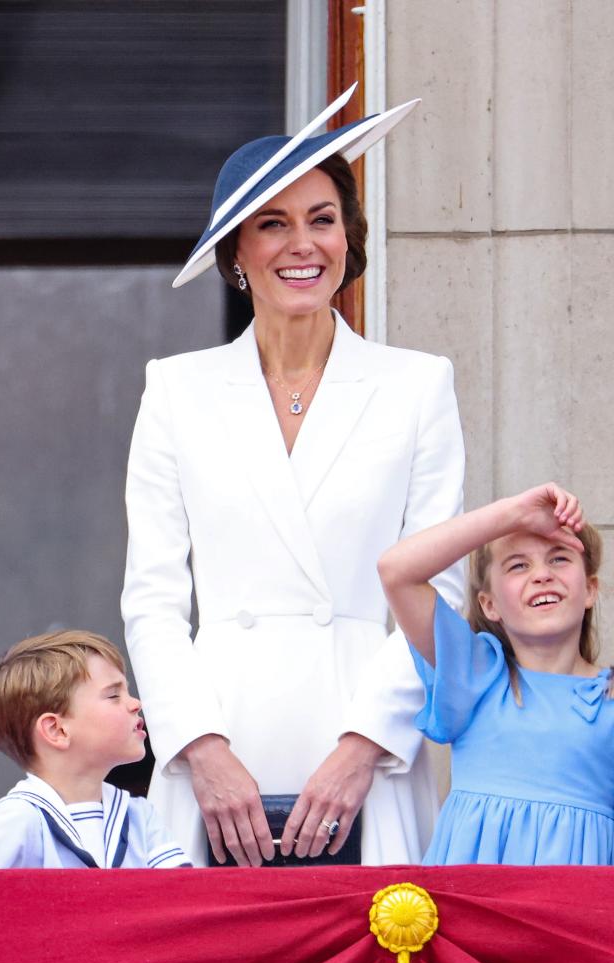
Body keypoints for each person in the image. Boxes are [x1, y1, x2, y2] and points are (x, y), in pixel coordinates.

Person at [121, 85, 466, 867]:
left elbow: (437, 593)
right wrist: (201, 748)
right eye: (272, 223)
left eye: (322, 218)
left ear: (350, 237)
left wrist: (363, 747)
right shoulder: (175, 389)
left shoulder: (418, 385)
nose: (301, 244)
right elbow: (152, 597)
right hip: (216, 752)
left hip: (362, 752)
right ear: (236, 250)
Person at [378, 482, 614, 865]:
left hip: (572, 914)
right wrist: (512, 513)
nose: (542, 575)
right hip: (471, 912)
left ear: (589, 590)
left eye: (559, 558)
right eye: (518, 564)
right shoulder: (473, 675)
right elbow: (395, 570)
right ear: (489, 604)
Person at [0, 629, 191, 869]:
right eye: (113, 695)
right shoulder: (19, 818)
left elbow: (183, 896)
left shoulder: (140, 817)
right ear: (57, 730)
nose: (136, 703)